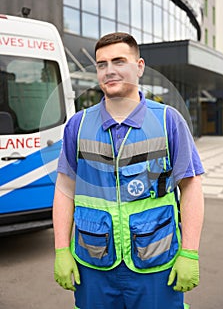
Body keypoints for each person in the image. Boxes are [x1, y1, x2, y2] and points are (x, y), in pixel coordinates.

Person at [53, 32, 204, 309]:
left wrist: (190, 253)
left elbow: (191, 188)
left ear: (140, 66)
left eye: (119, 61)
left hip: (156, 262)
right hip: (94, 262)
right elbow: (64, 190)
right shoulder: (78, 125)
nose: (109, 70)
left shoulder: (169, 120)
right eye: (101, 64)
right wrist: (61, 249)